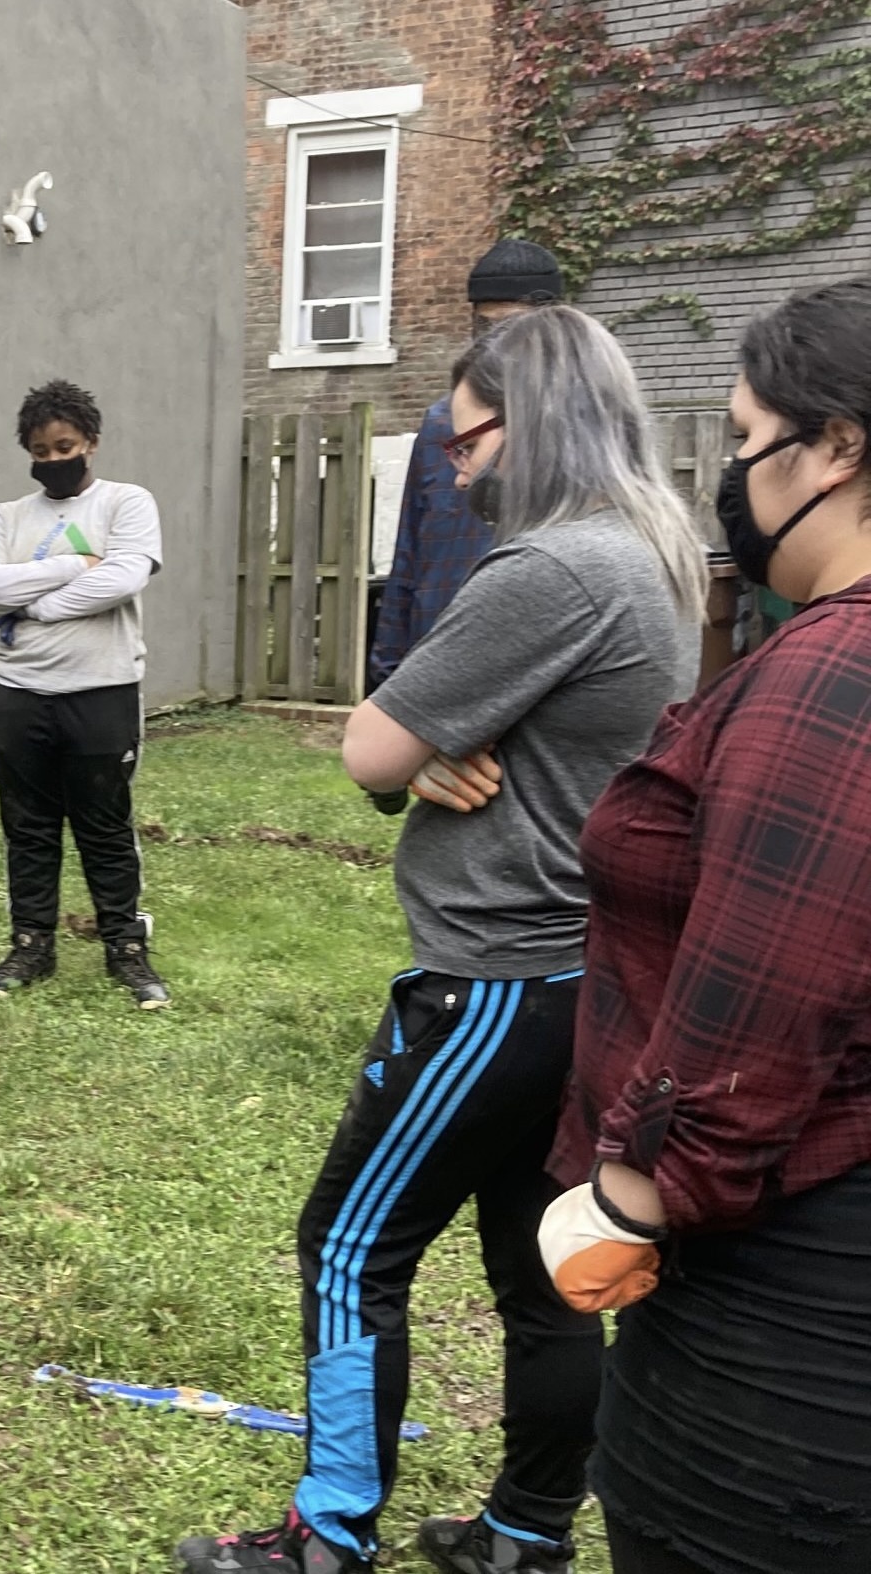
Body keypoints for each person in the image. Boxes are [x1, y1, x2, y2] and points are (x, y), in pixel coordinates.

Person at [175, 307, 705, 1574]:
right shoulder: (650, 553)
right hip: (581, 976)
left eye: (463, 441)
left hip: (493, 983)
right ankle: (524, 1535)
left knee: (349, 1243)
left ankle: (328, 1534)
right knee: (541, 1271)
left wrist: (410, 753)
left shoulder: (550, 569)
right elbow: (428, 750)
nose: (455, 468)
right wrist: (427, 758)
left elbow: (369, 740)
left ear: (531, 425)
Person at [540, 276, 871, 1574]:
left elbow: (765, 993)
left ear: (836, 444)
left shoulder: (837, 672)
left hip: (776, 1357)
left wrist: (624, 1199)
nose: (733, 475)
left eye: (745, 441)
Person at [0, 379, 169, 1009]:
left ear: (91, 442)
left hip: (101, 692)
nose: (54, 459)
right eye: (40, 450)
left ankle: (126, 950)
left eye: (65, 446)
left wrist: (36, 606)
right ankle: (32, 944)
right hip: (14, 692)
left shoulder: (126, 504)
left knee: (104, 826)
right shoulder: (8, 517)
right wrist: (73, 568)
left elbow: (126, 575)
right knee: (27, 827)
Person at [369, 240, 566, 689]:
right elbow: (410, 552)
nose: (496, 343)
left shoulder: (582, 430)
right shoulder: (444, 421)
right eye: (485, 326)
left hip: (528, 671)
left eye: (510, 327)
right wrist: (386, 675)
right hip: (435, 653)